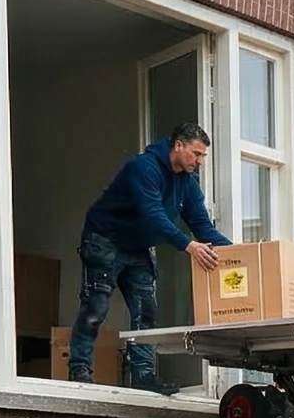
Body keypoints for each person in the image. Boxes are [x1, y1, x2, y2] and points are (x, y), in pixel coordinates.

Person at [68, 122, 229, 392]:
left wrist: (241, 253)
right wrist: (189, 246)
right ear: (178, 146)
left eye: (203, 156)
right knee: (96, 307)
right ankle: (79, 370)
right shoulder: (143, 168)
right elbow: (153, 216)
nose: (200, 162)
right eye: (196, 154)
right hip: (104, 238)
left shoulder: (188, 183)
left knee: (146, 311)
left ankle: (143, 376)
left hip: (138, 247)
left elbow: (202, 225)